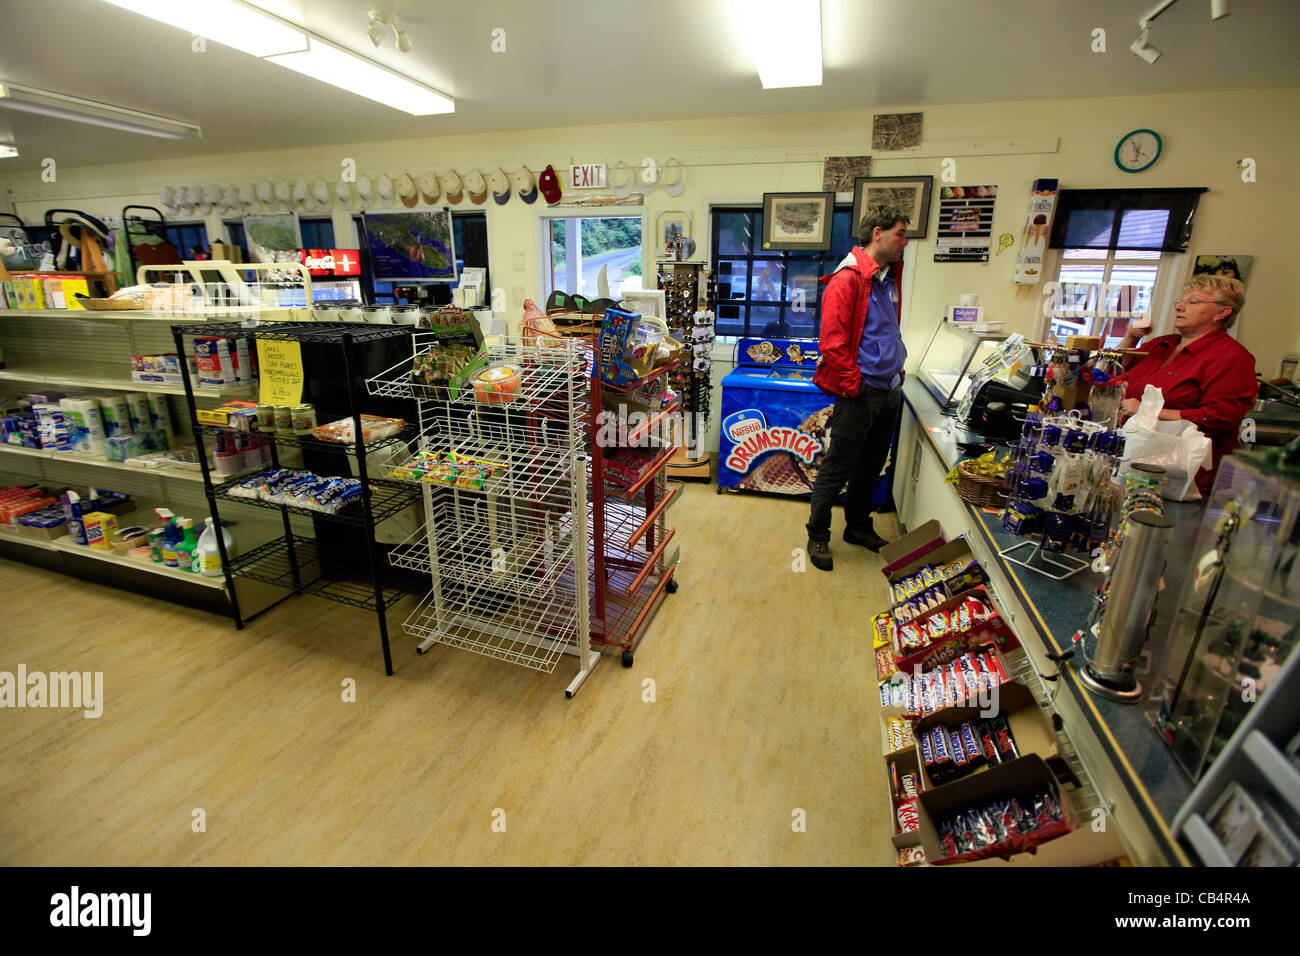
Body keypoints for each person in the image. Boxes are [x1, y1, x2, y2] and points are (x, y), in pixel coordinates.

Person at [804, 200, 909, 572]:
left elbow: (884, 330)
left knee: (871, 466)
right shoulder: (848, 278)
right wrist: (856, 386)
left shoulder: (887, 277)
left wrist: (897, 369)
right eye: (900, 234)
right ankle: (817, 534)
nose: (905, 242)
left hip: (889, 389)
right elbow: (831, 344)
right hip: (862, 392)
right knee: (838, 467)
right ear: (877, 234)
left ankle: (858, 528)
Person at [1117, 274, 1257, 494]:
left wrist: (1148, 411)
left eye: (1193, 302)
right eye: (1179, 302)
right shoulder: (1160, 345)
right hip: (1133, 461)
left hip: (1184, 478)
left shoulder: (1232, 357)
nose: (1180, 307)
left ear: (1222, 312)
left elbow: (1220, 417)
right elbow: (1110, 374)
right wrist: (1131, 338)